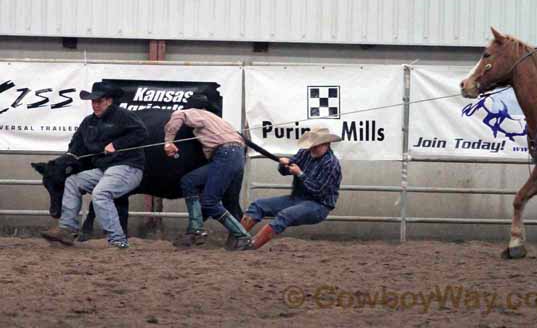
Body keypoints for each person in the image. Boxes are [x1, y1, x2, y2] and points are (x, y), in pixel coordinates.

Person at [41, 81, 148, 248]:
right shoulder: (88, 122)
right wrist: (68, 158)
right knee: (73, 182)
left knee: (101, 193)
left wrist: (117, 145)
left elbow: (142, 133)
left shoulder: (124, 115)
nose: (95, 105)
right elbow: (76, 145)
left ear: (109, 101)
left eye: (99, 101)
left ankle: (117, 240)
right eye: (93, 101)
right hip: (104, 170)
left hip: (127, 167)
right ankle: (67, 229)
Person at [163, 94, 251, 250]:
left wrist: (169, 141)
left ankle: (243, 236)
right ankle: (196, 229)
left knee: (210, 202)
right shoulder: (219, 120)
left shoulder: (195, 113)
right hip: (235, 155)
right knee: (189, 181)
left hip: (225, 154)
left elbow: (179, 115)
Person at [240, 126, 342, 250]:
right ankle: (237, 239)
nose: (312, 148)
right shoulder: (305, 152)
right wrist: (284, 164)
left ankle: (249, 246)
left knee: (285, 215)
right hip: (297, 198)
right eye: (312, 145)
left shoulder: (331, 164)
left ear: (327, 144)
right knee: (257, 206)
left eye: (316, 145)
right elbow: (285, 170)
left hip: (319, 205)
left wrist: (300, 174)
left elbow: (319, 192)